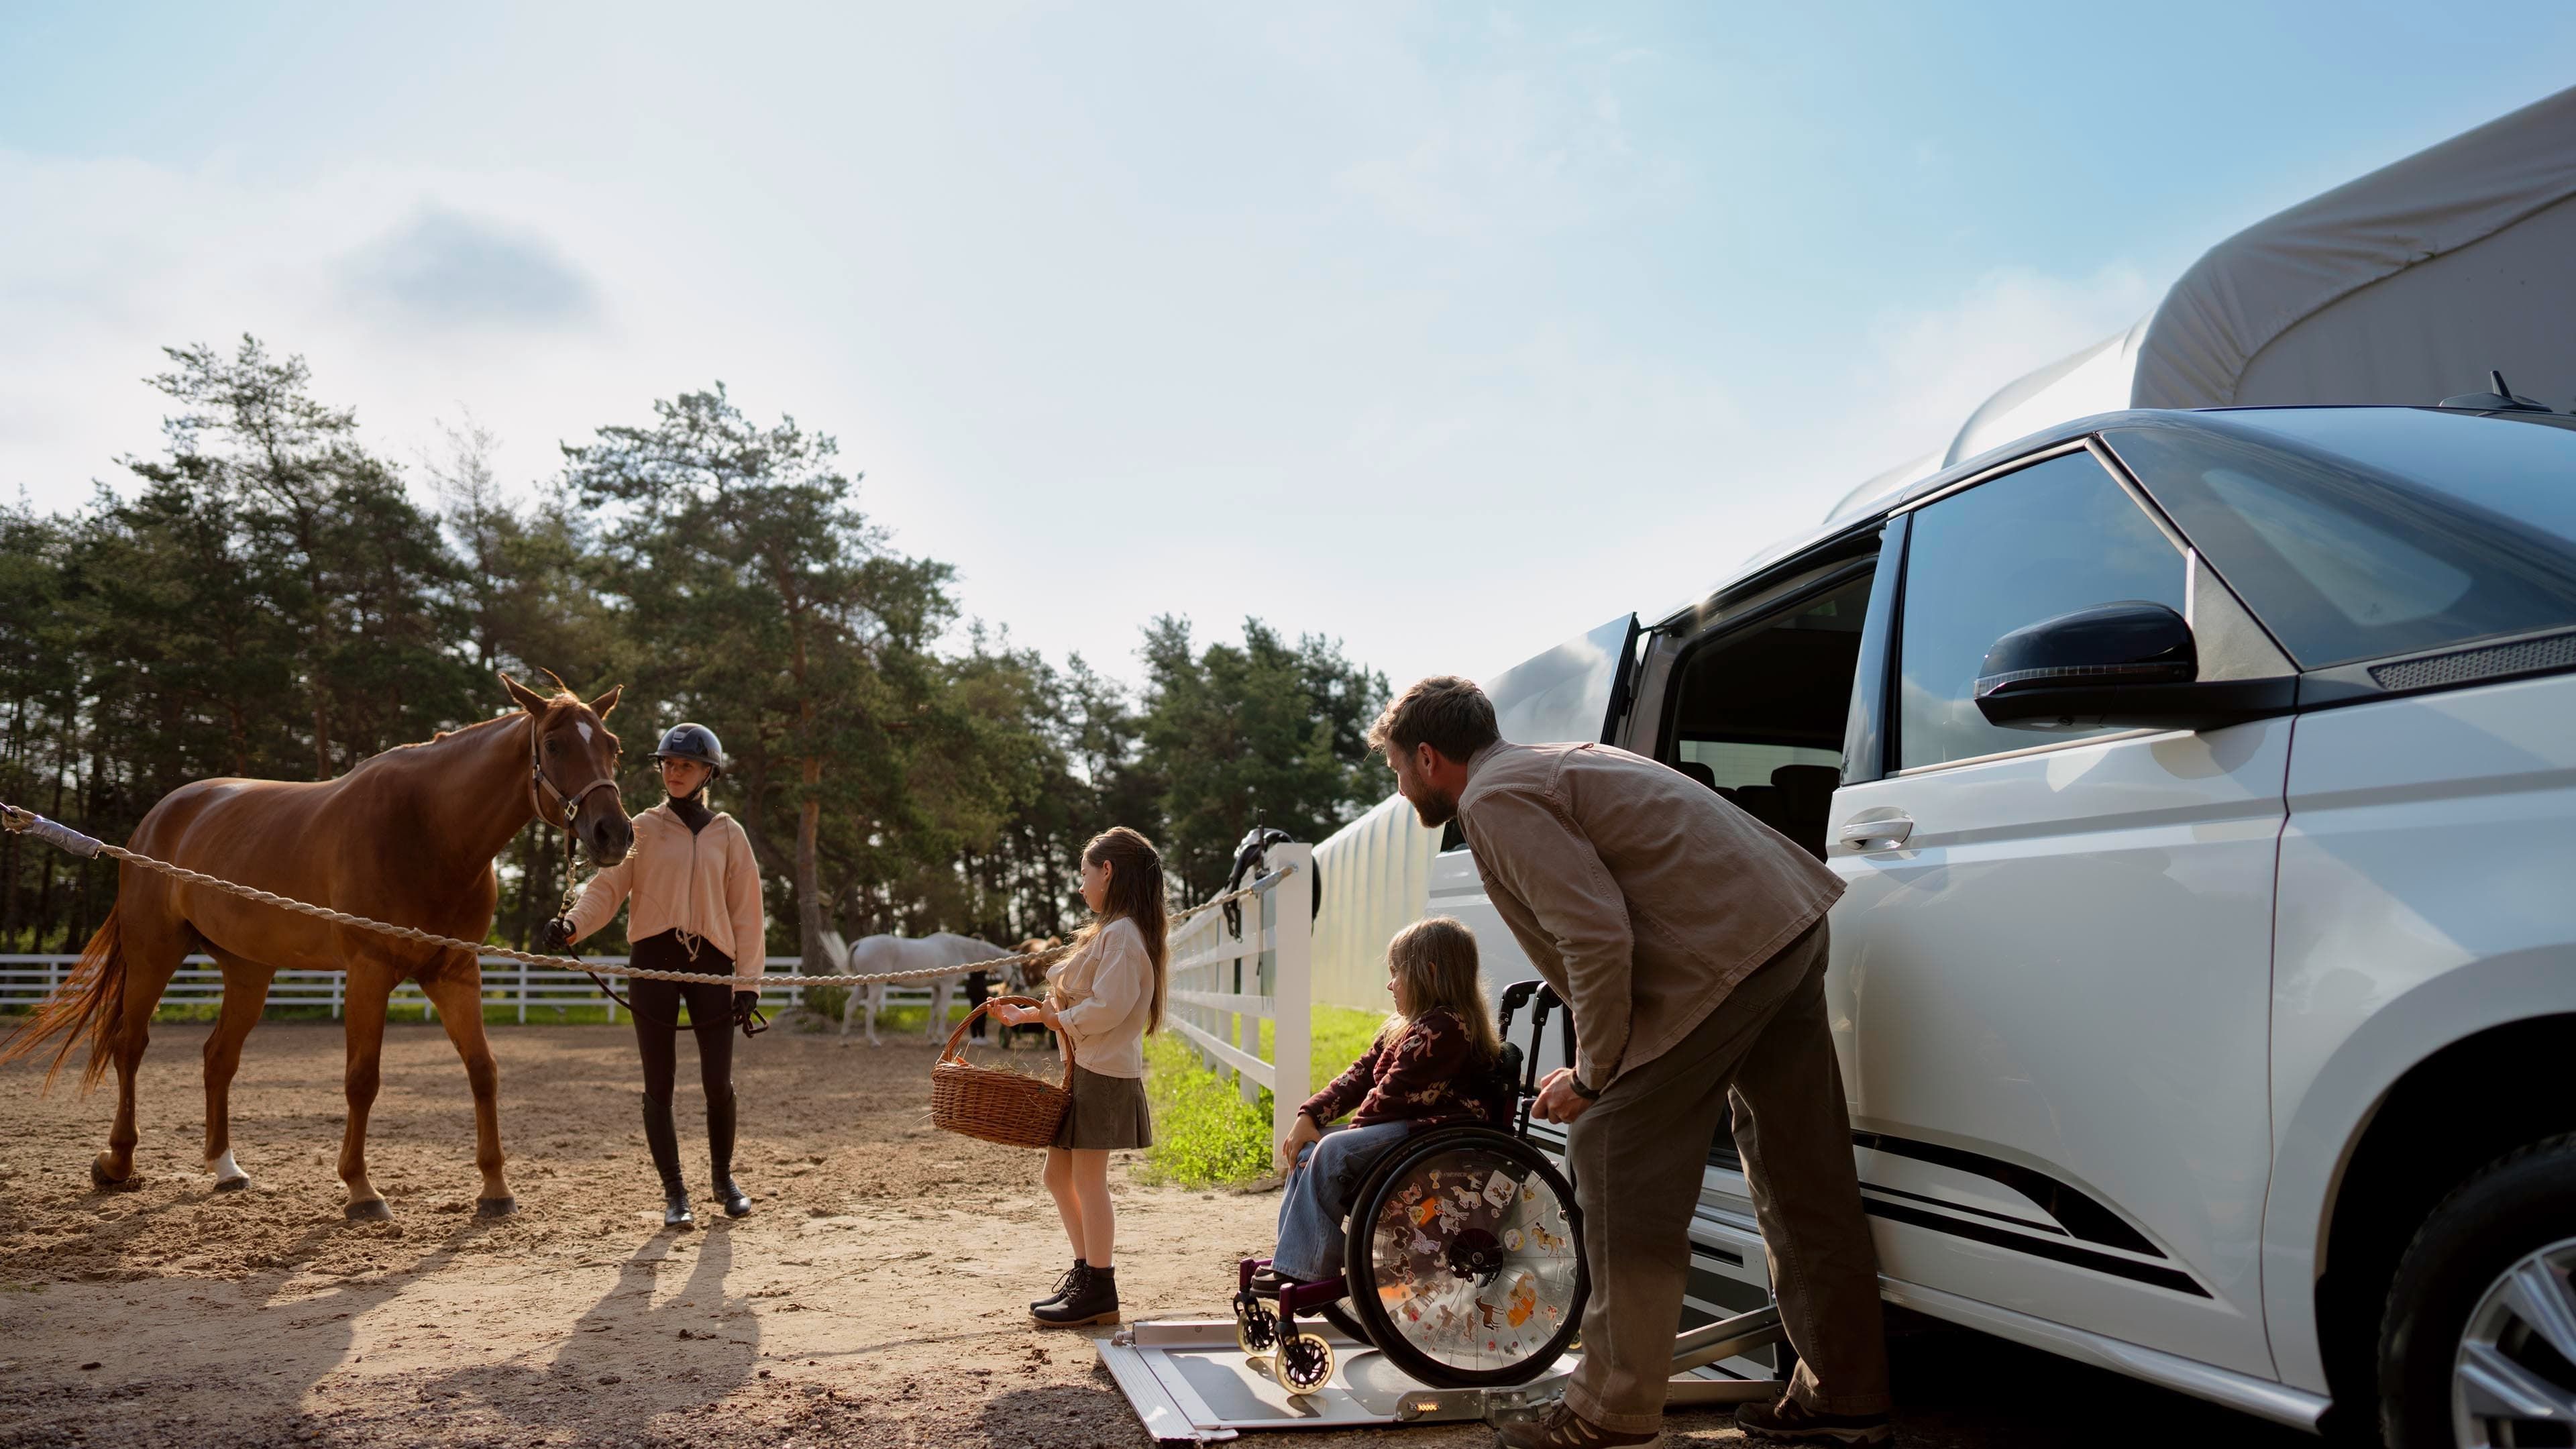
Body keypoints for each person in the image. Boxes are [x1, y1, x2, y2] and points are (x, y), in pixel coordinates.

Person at [1371, 678, 1891, 1449]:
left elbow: (1595, 937)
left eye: (1395, 768)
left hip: (1724, 956)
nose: (1399, 783)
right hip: (1784, 928)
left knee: (1612, 1149)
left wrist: (1593, 1075)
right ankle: (1847, 1397)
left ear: (1427, 755)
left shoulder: (1493, 799)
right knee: (1800, 1169)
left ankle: (1608, 1414)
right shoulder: (1555, 763)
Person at [543, 722, 766, 1230]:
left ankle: (723, 1180)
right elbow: (607, 888)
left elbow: (748, 912)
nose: (675, 772)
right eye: (668, 763)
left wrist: (748, 982)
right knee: (658, 1083)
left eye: (685, 765)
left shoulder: (729, 834)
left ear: (709, 771)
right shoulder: (640, 826)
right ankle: (675, 1193)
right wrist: (572, 924)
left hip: (712, 964)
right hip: (652, 962)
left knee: (718, 1082)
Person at [1264, 916, 1514, 1290]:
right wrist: (1310, 1115)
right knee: (1308, 1150)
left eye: (1397, 973)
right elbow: (1359, 1076)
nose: (1389, 983)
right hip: (1408, 1131)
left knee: (1330, 1151)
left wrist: (1339, 1135)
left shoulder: (1445, 1028)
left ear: (1428, 973)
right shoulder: (1407, 1026)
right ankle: (1297, 1260)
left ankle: (1306, 1272)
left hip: (1439, 1136)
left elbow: (1393, 1098)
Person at [991, 826, 1168, 1328]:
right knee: (1058, 1176)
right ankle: (1087, 1274)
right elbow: (1085, 1001)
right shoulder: (1115, 933)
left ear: (1107, 872)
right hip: (1086, 1067)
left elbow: (1109, 1007)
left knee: (1088, 1180)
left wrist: (1058, 1021)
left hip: (1103, 1071)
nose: (1080, 885)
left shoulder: (1123, 935)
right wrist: (1030, 1017)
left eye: (1085, 874)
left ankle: (1100, 1286)